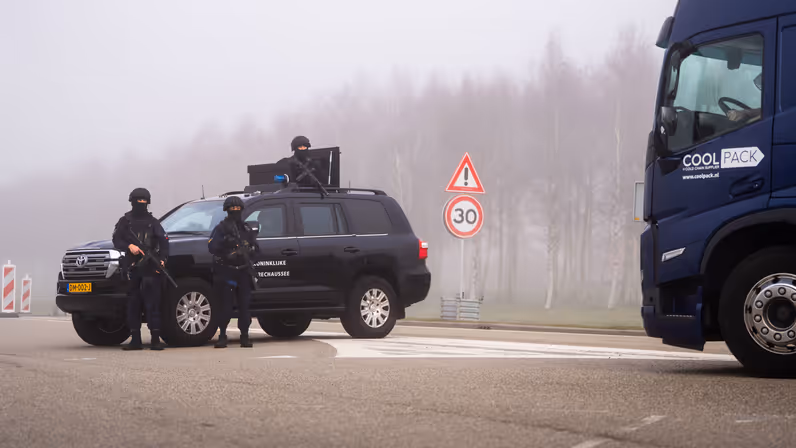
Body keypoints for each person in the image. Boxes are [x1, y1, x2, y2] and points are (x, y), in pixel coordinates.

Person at [112, 187, 169, 351]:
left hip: (151, 268)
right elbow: (117, 239)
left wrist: (163, 260)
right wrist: (129, 246)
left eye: (144, 201)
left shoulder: (153, 222)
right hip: (133, 268)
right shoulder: (125, 221)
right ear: (132, 201)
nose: (141, 204)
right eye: (139, 201)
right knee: (133, 304)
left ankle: (155, 339)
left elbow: (164, 242)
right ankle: (135, 339)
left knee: (153, 304)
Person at [208, 196, 260, 348]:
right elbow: (211, 248)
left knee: (244, 306)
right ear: (227, 211)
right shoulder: (221, 229)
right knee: (225, 305)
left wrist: (248, 252)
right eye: (233, 210)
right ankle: (222, 335)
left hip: (243, 271)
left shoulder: (246, 229)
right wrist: (227, 246)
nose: (236, 212)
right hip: (226, 272)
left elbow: (257, 250)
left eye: (238, 210)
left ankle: (245, 335)